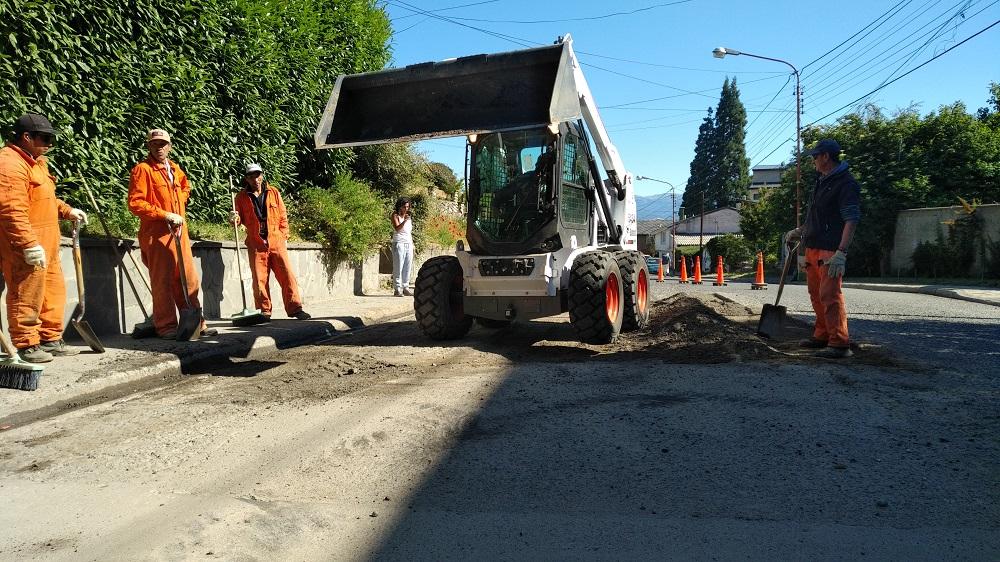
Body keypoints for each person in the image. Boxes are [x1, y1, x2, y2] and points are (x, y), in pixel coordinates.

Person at [0, 113, 88, 363]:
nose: (50, 144)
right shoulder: (8, 164)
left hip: (47, 239)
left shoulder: (36, 162)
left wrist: (66, 210)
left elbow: (44, 198)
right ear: (26, 137)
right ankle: (27, 343)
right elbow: (11, 208)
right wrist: (27, 243)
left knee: (52, 290)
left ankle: (50, 338)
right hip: (24, 242)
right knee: (25, 292)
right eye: (45, 138)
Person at [127, 128, 217, 339]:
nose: (160, 147)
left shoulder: (175, 169)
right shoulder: (143, 170)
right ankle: (166, 327)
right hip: (157, 234)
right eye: (155, 144)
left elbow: (186, 188)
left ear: (170, 146)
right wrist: (164, 214)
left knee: (188, 280)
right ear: (149, 146)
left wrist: (181, 202)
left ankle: (196, 324)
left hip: (179, 233)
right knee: (163, 282)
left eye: (163, 144)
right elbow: (135, 203)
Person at [786, 139, 861, 359]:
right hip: (813, 246)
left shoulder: (845, 183)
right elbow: (817, 216)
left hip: (830, 250)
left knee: (830, 296)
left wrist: (841, 252)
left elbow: (851, 219)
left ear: (826, 157)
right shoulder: (822, 181)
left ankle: (839, 343)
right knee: (816, 295)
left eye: (815, 157)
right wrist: (801, 230)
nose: (813, 161)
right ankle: (822, 335)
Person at [231, 163, 310, 320]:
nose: (256, 179)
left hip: (276, 241)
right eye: (252, 176)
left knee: (287, 275)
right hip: (256, 243)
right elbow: (238, 220)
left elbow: (283, 215)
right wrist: (234, 218)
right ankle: (264, 311)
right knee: (259, 280)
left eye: (258, 175)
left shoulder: (273, 192)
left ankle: (295, 309)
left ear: (262, 175)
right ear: (246, 179)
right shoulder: (240, 197)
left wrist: (284, 236)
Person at [390, 198, 413, 297]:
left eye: (407, 206)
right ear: (400, 206)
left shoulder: (408, 217)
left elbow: (409, 232)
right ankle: (397, 289)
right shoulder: (395, 215)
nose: (406, 209)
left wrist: (412, 244)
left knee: (407, 266)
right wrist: (404, 221)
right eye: (404, 206)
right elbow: (397, 228)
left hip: (408, 243)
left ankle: (405, 287)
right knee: (398, 266)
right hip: (399, 243)